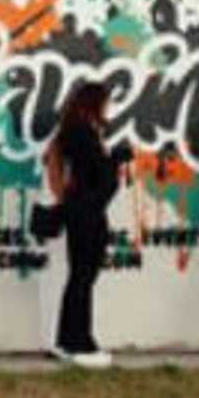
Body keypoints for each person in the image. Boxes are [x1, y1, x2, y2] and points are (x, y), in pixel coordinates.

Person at [45, 78, 118, 359]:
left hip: (79, 210)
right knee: (83, 277)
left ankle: (68, 339)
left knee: (79, 277)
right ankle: (80, 342)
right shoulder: (83, 133)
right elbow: (99, 175)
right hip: (87, 212)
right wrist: (115, 160)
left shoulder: (72, 131)